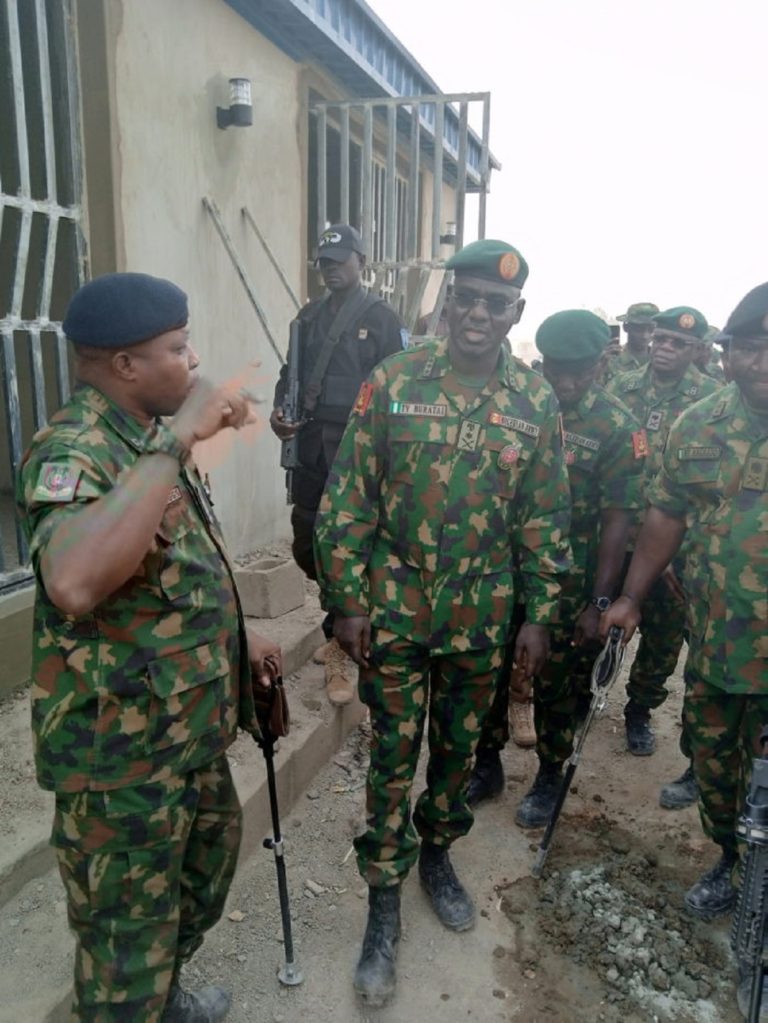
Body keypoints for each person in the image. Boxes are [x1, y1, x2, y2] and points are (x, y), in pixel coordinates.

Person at [16, 272, 281, 1023]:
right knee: (125, 948)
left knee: (198, 887)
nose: (192, 362)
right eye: (175, 347)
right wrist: (177, 437)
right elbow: (73, 581)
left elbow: (171, 567)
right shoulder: (74, 448)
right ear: (125, 365)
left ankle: (163, 1001)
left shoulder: (143, 439)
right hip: (118, 763)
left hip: (184, 734)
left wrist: (238, 634)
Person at [314, 239, 572, 1007]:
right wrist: (347, 600)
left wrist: (541, 616)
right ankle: (383, 900)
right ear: (447, 303)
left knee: (458, 751)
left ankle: (437, 853)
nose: (480, 314)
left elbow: (543, 517)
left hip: (481, 617)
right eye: (468, 298)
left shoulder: (534, 403)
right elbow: (348, 497)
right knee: (393, 753)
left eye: (497, 304)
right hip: (394, 612)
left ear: (514, 314)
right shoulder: (392, 382)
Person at [600, 282, 768, 949]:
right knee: (717, 762)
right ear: (725, 355)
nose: (759, 364)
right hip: (721, 645)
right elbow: (666, 513)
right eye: (748, 350)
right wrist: (631, 596)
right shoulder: (698, 423)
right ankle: (732, 860)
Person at [467, 310, 646, 821]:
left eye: (580, 373)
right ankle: (486, 764)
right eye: (557, 372)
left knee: (557, 684)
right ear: (542, 364)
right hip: (503, 571)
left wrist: (600, 601)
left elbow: (618, 521)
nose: (566, 384)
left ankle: (549, 774)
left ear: (600, 364)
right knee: (491, 670)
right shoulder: (517, 405)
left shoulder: (615, 426)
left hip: (572, 582)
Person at [270, 223, 407, 706]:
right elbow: (290, 374)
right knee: (308, 544)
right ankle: (339, 624)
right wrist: (280, 414)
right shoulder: (306, 319)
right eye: (324, 264)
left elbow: (400, 387)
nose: (330, 271)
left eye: (340, 262)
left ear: (361, 262)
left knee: (354, 544)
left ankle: (342, 643)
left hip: (358, 452)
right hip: (311, 451)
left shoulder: (382, 318)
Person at [605, 306, 721, 758]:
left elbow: (709, 489)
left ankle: (639, 709)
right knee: (602, 621)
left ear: (697, 350)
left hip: (675, 547)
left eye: (680, 343)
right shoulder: (622, 386)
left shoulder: (710, 402)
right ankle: (586, 696)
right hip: (619, 536)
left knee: (664, 636)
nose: (667, 348)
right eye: (663, 339)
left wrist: (679, 549)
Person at [599, 301, 658, 384]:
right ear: (626, 327)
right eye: (639, 329)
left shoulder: (660, 360)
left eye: (651, 329)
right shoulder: (610, 359)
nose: (645, 335)